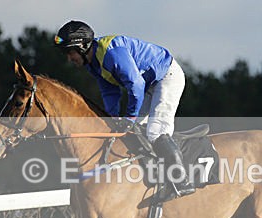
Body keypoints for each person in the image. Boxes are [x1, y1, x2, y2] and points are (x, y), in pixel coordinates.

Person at [55, 20, 194, 201]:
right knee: (138, 132)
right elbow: (109, 92)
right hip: (149, 85)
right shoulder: (93, 63)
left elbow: (135, 85)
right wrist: (111, 119)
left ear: (81, 46)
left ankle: (182, 182)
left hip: (167, 77)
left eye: (69, 52)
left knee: (154, 132)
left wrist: (129, 118)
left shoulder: (111, 54)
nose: (69, 58)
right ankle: (155, 179)